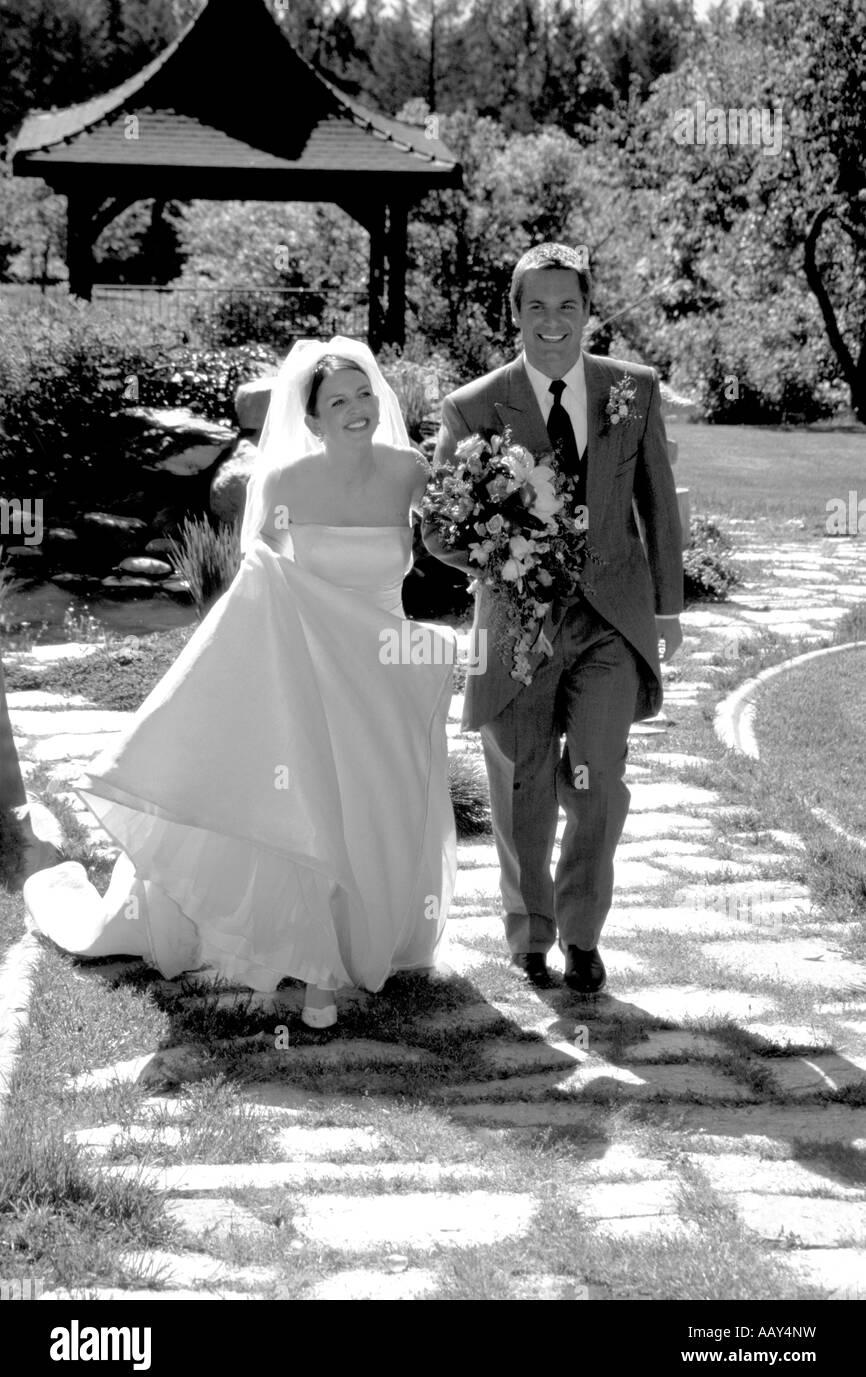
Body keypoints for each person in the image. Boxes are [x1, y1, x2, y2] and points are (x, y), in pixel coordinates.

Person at [24, 337, 456, 1030]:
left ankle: (359, 943)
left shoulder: (409, 471)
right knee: (318, 805)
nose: (355, 409)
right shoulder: (286, 484)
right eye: (336, 402)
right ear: (311, 420)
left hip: (385, 665)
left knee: (379, 805)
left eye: (364, 394)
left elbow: (447, 544)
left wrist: (510, 535)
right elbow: (259, 590)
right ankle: (318, 968)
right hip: (313, 673)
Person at [423, 243, 683, 993]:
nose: (552, 322)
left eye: (567, 305)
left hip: (609, 621)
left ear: (588, 310)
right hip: (517, 627)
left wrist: (666, 607)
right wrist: (506, 555)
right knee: (524, 784)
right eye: (535, 306)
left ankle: (582, 936)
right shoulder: (473, 406)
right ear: (515, 314)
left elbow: (657, 504)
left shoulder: (631, 391)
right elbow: (440, 529)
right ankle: (530, 936)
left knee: (597, 780)